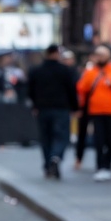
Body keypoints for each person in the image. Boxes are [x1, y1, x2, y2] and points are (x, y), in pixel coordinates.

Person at [27, 44, 79, 179]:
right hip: (61, 108)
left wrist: (35, 105)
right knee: (62, 136)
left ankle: (48, 165)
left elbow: (30, 90)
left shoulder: (36, 70)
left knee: (46, 137)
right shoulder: (65, 70)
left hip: (43, 109)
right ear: (56, 54)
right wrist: (75, 107)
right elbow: (72, 90)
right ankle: (55, 157)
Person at [77, 44, 111, 181]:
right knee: (99, 139)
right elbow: (81, 88)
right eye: (98, 55)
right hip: (96, 111)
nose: (100, 57)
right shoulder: (90, 71)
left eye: (102, 55)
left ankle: (107, 164)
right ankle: (100, 166)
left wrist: (110, 82)